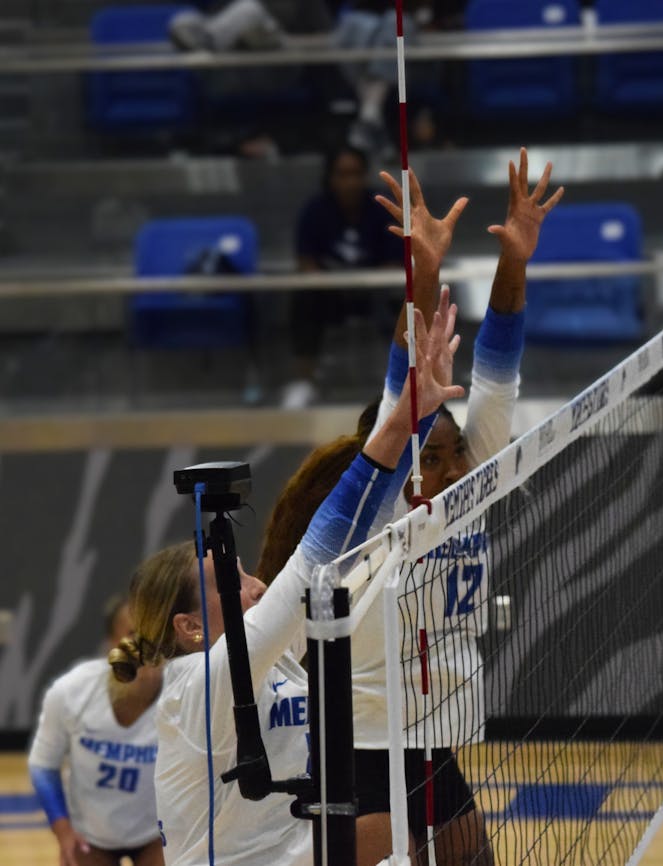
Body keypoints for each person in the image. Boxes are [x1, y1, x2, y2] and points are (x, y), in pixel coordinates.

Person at [256, 148, 563, 866]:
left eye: (456, 453)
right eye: (431, 454)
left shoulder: (468, 486)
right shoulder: (383, 500)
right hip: (361, 743)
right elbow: (406, 389)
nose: (451, 467)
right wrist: (424, 272)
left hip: (427, 734)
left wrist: (513, 260)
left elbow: (498, 367)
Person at [107, 303, 463, 866]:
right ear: (191, 626)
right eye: (233, 583)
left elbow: (362, 527)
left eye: (246, 572)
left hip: (287, 852)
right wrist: (401, 421)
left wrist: (415, 413)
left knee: (392, 840)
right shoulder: (202, 681)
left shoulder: (278, 659)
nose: (254, 586)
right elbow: (315, 558)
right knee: (390, 841)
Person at [29, 597, 164, 866]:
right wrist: (64, 833)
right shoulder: (71, 691)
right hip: (91, 836)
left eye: (154, 635)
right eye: (133, 636)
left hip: (156, 833)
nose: (146, 646)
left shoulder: (184, 692)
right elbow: (43, 766)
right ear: (110, 646)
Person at [287, 143, 403, 403]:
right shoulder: (315, 210)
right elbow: (305, 261)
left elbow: (397, 262)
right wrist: (327, 281)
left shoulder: (383, 207)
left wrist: (366, 282)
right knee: (303, 300)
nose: (350, 182)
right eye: (342, 174)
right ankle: (303, 381)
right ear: (330, 177)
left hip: (377, 292)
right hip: (331, 293)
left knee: (404, 303)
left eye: (356, 174)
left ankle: (405, 382)